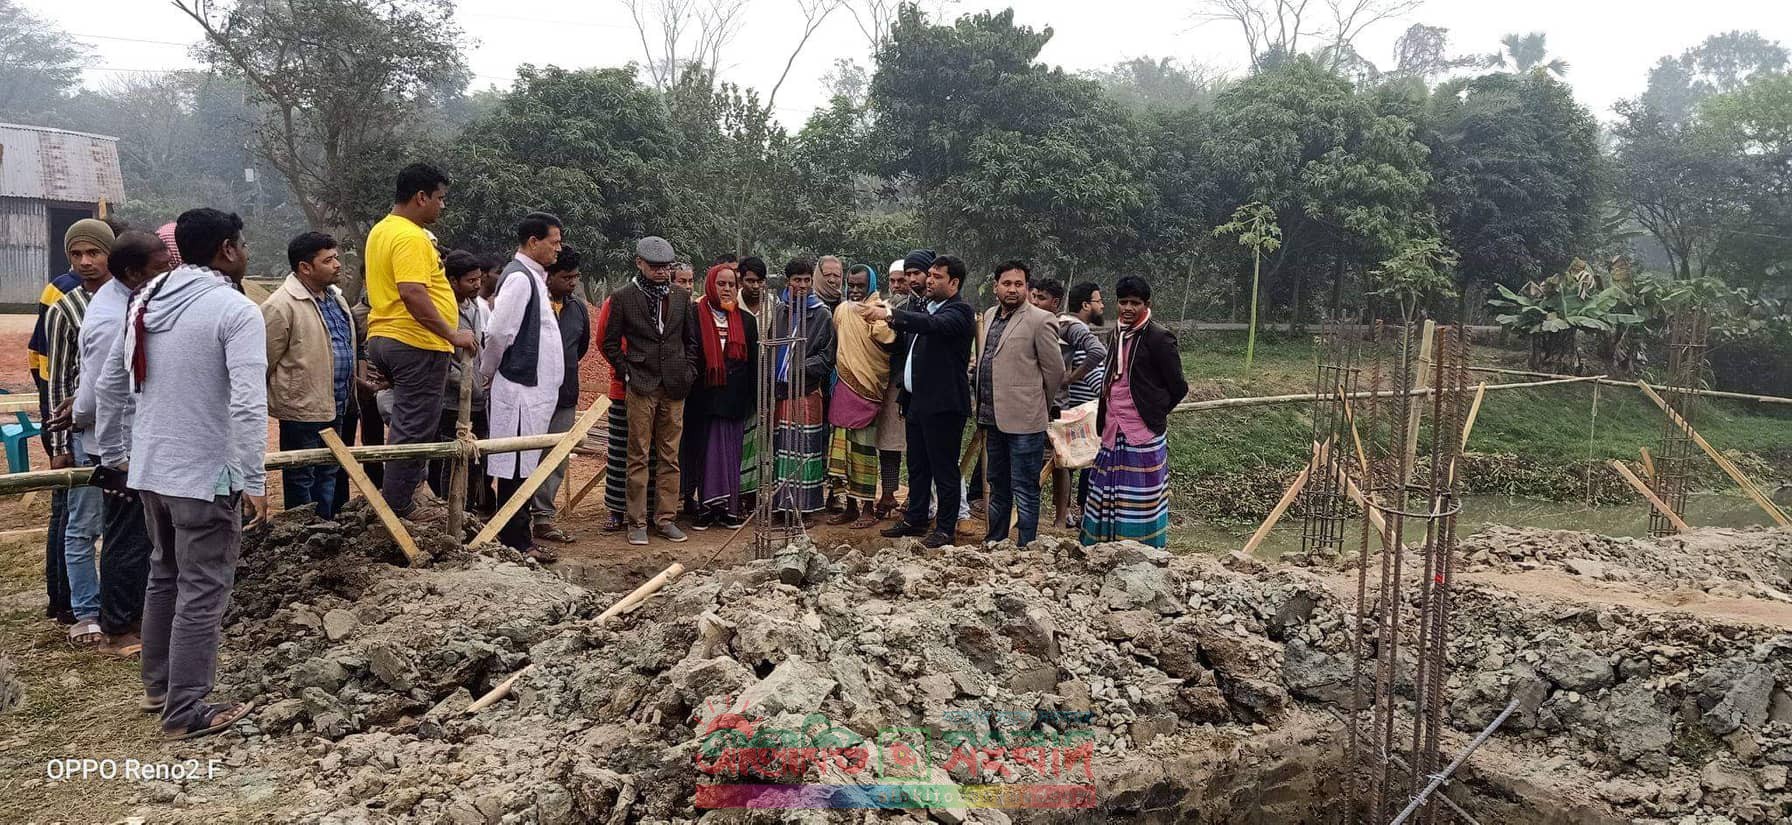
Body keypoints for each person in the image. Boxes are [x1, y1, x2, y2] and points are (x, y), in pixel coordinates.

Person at [94, 207, 267, 739]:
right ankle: (186, 709)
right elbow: (247, 404)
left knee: (165, 574)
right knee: (203, 586)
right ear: (227, 249)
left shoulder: (146, 300)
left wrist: (115, 453)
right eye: (241, 244)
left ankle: (160, 686)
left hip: (152, 469)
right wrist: (254, 478)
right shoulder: (235, 310)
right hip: (205, 475)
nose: (244, 253)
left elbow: (111, 384)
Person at [67, 231, 168, 655]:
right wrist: (113, 454)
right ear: (133, 273)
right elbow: (101, 391)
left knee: (135, 534)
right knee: (126, 536)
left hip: (125, 438)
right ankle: (120, 626)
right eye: (159, 266)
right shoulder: (114, 317)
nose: (167, 271)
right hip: (119, 444)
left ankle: (134, 616)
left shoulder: (123, 300)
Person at [363, 163, 474, 523]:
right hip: (414, 341)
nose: (443, 205)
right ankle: (399, 506)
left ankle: (408, 494)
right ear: (421, 197)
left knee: (407, 422)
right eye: (440, 198)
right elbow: (412, 292)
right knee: (415, 429)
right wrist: (451, 334)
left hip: (388, 336)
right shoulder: (409, 236)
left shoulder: (382, 230)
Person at [869, 251, 975, 549]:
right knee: (917, 465)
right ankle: (915, 517)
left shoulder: (958, 311)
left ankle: (945, 528)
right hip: (916, 401)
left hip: (944, 405)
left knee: (944, 469)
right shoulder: (926, 307)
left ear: (954, 283)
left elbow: (931, 326)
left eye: (937, 277)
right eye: (930, 275)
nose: (929, 281)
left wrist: (890, 316)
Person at [602, 236, 700, 546]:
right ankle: (636, 522)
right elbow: (609, 342)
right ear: (639, 263)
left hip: (674, 386)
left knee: (670, 457)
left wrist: (689, 372)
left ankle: (666, 519)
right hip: (641, 386)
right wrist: (626, 371)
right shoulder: (623, 298)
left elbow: (691, 341)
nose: (661, 272)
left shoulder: (681, 297)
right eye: (655, 266)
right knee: (638, 455)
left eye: (665, 267)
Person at [44, 219, 114, 647]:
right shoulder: (65, 309)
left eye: (94, 253)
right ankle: (86, 610)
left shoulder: (130, 299)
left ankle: (122, 604)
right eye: (76, 254)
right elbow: (56, 382)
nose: (85, 262)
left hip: (126, 433)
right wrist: (58, 444)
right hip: (84, 434)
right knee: (82, 526)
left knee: (125, 526)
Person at [479, 212, 565, 558]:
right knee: (514, 467)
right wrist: (487, 372)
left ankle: (519, 537)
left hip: (532, 392)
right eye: (554, 242)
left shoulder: (534, 277)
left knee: (524, 465)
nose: (558, 249)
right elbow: (499, 333)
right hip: (518, 391)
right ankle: (516, 541)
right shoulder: (519, 278)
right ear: (533, 242)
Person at [1081, 276, 1188, 548]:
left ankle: (1141, 551)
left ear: (1147, 304)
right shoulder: (1116, 334)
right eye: (1123, 302)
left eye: (1135, 303)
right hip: (1112, 428)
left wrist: (1153, 413)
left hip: (1142, 432)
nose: (1128, 308)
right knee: (1104, 491)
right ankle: (1102, 548)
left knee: (1141, 498)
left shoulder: (1159, 338)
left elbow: (1178, 386)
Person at [263, 232, 356, 520]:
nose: (337, 264)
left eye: (336, 257)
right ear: (305, 267)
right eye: (328, 260)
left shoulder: (335, 299)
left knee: (328, 471)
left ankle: (324, 529)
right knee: (301, 475)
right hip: (302, 408)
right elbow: (264, 360)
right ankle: (303, 533)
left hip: (336, 402)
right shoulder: (281, 305)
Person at [974, 261, 1065, 547]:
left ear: (1027, 287)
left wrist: (1038, 404)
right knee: (997, 485)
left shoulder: (1040, 320)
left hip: (1026, 421)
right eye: (1006, 284)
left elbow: (1055, 371)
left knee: (1025, 488)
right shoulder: (989, 316)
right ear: (995, 287)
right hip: (992, 418)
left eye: (1018, 284)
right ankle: (996, 541)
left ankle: (1027, 547)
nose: (1012, 289)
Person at [1032, 278, 1108, 527]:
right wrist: (1071, 380)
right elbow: (1096, 359)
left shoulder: (1063, 325)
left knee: (1063, 462)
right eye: (1099, 301)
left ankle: (1061, 517)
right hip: (1063, 407)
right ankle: (1062, 516)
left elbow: (1093, 359)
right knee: (1064, 461)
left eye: (1041, 297)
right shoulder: (1068, 327)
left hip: (1061, 405)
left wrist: (1070, 379)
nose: (1102, 306)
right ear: (1085, 305)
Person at [826, 264, 896, 528]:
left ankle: (868, 508)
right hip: (843, 385)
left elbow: (888, 340)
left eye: (860, 286)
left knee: (864, 451)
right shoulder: (841, 310)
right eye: (851, 285)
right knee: (842, 449)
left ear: (871, 285)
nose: (854, 290)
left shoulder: (881, 309)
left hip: (869, 388)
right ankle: (850, 507)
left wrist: (876, 318)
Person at [529, 244, 590, 545]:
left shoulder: (577, 309)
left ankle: (543, 518)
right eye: (566, 277)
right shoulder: (533, 303)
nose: (572, 283)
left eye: (575, 277)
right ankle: (515, 516)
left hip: (565, 394)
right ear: (549, 275)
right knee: (527, 454)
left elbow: (580, 348)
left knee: (556, 457)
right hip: (531, 393)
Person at [689, 265, 758, 528]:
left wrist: (754, 399)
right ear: (710, 285)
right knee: (705, 453)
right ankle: (706, 508)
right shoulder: (695, 315)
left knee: (731, 453)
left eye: (731, 284)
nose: (727, 289)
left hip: (734, 400)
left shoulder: (746, 321)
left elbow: (753, 365)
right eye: (721, 284)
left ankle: (730, 508)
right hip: (703, 399)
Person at [767, 258, 836, 521]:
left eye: (807, 280)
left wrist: (797, 368)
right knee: (782, 448)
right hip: (781, 392)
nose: (803, 285)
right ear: (788, 282)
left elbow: (827, 357)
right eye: (797, 280)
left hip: (806, 391)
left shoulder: (822, 314)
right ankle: (781, 504)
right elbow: (771, 347)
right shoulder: (780, 311)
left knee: (804, 450)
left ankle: (804, 507)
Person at [427, 251, 492, 511]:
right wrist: (467, 383)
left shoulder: (474, 307)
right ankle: (451, 512)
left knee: (475, 458)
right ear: (453, 281)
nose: (477, 285)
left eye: (479, 279)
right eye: (470, 280)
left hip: (477, 399)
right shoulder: (443, 311)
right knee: (453, 460)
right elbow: (441, 360)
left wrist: (482, 378)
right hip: (453, 401)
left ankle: (469, 510)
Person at [871, 257, 913, 519]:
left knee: (916, 444)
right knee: (888, 442)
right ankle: (888, 493)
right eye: (893, 281)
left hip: (915, 385)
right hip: (889, 383)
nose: (897, 286)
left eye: (902, 281)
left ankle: (915, 497)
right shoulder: (882, 307)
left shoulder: (918, 310)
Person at [735, 257, 770, 507]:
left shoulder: (774, 306)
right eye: (750, 281)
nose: (755, 286)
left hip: (765, 382)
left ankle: (754, 493)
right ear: (741, 280)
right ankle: (735, 492)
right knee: (738, 438)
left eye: (759, 281)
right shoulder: (731, 306)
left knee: (760, 440)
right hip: (737, 384)